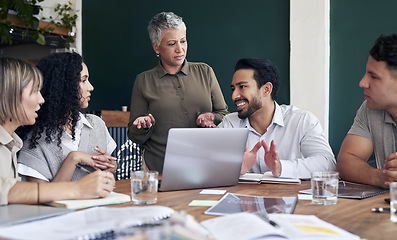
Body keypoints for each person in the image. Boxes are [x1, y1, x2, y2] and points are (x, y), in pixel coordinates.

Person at [0, 57, 115, 205]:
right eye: (34, 91)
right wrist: (77, 188)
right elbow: (7, 190)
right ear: (10, 96)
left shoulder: (12, 143)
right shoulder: (29, 143)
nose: (42, 99)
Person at [128, 12, 229, 173]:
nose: (180, 49)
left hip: (205, 166)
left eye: (183, 41)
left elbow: (224, 114)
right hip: (159, 168)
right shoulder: (144, 81)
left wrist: (212, 118)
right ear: (156, 47)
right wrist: (143, 125)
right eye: (171, 44)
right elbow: (134, 135)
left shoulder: (205, 72)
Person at [218, 58, 336, 179]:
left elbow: (327, 163)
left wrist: (281, 167)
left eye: (242, 86)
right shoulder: (229, 124)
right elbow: (203, 162)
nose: (234, 96)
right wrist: (233, 167)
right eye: (233, 89)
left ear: (266, 89)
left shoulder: (301, 120)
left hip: (288, 196)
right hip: (242, 196)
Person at [16, 52, 117, 183]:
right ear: (63, 86)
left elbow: (110, 175)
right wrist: (73, 159)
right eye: (83, 80)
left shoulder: (97, 124)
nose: (91, 87)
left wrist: (110, 167)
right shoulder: (34, 143)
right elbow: (41, 197)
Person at [337, 34, 397, 188]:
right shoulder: (370, 108)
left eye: (374, 77)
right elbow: (345, 162)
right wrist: (384, 178)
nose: (363, 82)